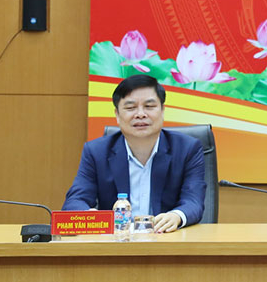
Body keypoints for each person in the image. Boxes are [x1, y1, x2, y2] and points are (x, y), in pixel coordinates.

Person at [63, 74, 206, 231]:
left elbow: (193, 201)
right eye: (130, 108)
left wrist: (176, 216)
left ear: (162, 110)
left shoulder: (187, 149)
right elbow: (75, 201)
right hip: (116, 242)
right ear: (117, 115)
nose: (140, 114)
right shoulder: (96, 152)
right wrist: (92, 217)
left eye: (149, 106)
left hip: (166, 239)